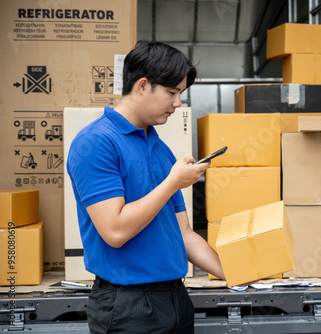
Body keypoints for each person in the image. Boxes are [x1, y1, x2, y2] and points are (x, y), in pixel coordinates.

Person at [66, 41, 226, 334]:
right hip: (128, 306)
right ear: (142, 86)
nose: (178, 103)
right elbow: (115, 231)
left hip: (175, 298)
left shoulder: (159, 147)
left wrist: (237, 274)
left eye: (180, 94)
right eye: (172, 92)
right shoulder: (95, 143)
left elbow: (185, 234)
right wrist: (172, 182)